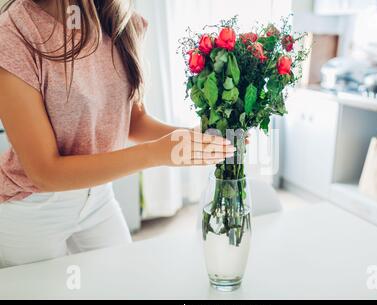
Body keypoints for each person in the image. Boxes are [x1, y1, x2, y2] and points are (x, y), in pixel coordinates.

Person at [0, 0, 235, 268]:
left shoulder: (119, 21)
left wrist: (192, 138)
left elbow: (134, 121)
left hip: (98, 197)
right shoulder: (14, 35)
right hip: (32, 207)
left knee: (124, 281)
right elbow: (45, 173)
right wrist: (156, 153)